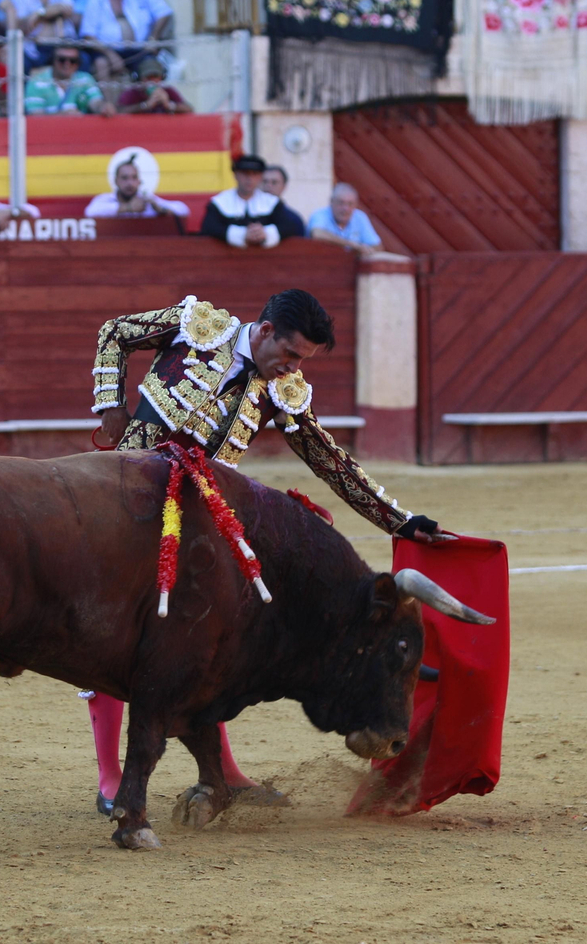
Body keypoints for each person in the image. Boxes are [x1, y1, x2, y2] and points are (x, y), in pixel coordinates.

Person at [85, 288, 447, 814]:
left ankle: (225, 772)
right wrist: (110, 407)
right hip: (125, 504)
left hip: (199, 523)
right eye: (291, 354)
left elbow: (330, 460)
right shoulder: (196, 328)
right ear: (264, 330)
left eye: (303, 360)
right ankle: (110, 774)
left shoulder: (283, 390)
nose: (293, 368)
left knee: (213, 639)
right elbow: (114, 334)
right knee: (116, 632)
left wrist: (401, 520)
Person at [78, 0, 170, 80]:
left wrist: (153, 38)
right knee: (101, 64)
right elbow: (88, 35)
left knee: (151, 67)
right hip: (107, 51)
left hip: (140, 50)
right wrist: (111, 55)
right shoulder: (94, 2)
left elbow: (164, 12)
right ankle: (107, 100)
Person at [201, 154, 302, 248]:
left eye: (254, 174)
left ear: (260, 177)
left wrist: (265, 233)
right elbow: (209, 228)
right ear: (235, 175)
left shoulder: (271, 202)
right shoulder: (220, 202)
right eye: (245, 174)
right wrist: (242, 235)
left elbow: (290, 226)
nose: (249, 179)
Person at [84, 156, 189, 219]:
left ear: (139, 181)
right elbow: (90, 212)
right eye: (124, 178)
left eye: (134, 178)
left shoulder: (147, 201)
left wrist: (160, 209)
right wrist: (128, 208)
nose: (130, 183)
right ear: (116, 181)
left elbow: (183, 210)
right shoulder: (106, 199)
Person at [23, 43, 113, 115]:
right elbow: (35, 116)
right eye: (62, 60)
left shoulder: (85, 79)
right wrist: (62, 116)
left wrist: (103, 107)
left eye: (73, 61)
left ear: (78, 63)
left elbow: (95, 102)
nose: (67, 64)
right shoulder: (37, 81)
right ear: (53, 61)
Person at [308, 183, 381, 255]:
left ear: (356, 205)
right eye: (341, 203)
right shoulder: (320, 214)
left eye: (350, 204)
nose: (345, 208)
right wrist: (352, 245)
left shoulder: (360, 217)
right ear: (331, 202)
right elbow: (317, 234)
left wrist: (365, 250)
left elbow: (377, 246)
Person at [114, 60, 191, 114]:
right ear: (139, 79)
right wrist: (144, 105)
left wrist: (169, 105)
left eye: (155, 77)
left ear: (162, 78)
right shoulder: (132, 93)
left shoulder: (168, 91)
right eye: (148, 77)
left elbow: (189, 109)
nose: (152, 81)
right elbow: (119, 111)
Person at [261, 165, 307, 239]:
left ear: (284, 186)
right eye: (264, 181)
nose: (268, 186)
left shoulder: (293, 219)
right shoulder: (247, 214)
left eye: (274, 182)